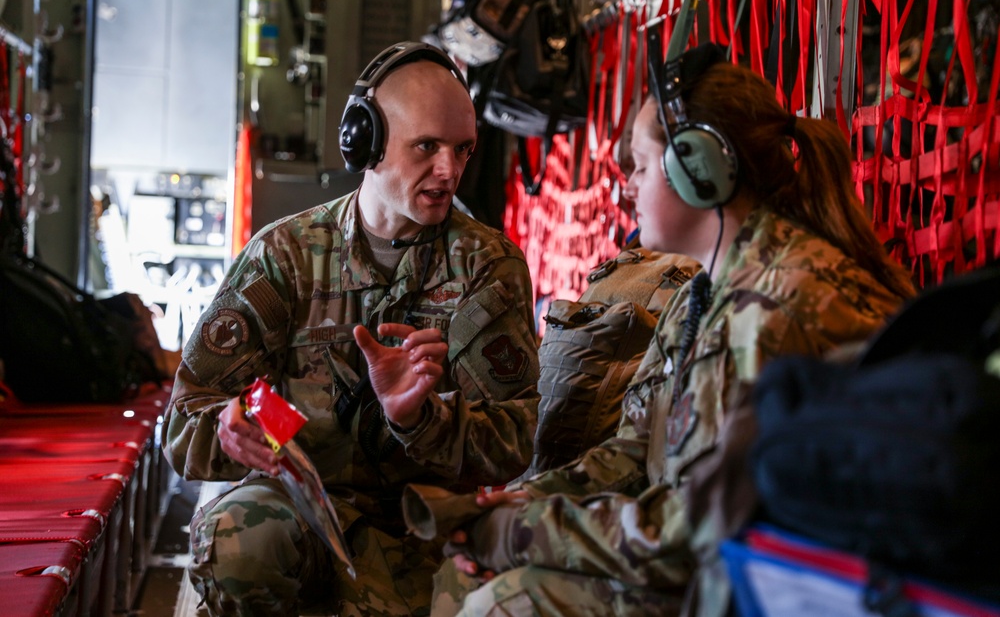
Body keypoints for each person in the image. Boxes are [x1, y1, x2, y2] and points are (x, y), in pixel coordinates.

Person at [428, 43, 916, 615]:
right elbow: (636, 450)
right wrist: (515, 503)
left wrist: (518, 533)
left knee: (506, 603)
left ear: (700, 170)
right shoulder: (705, 292)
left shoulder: (780, 310)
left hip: (751, 586)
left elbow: (694, 536)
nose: (626, 186)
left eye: (639, 164)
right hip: (702, 564)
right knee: (465, 580)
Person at [161, 41, 540, 617]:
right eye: (427, 147)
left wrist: (419, 417)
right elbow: (186, 416)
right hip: (298, 514)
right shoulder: (284, 257)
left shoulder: (487, 268)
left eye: (463, 150)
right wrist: (231, 429)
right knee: (241, 537)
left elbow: (518, 440)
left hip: (420, 526)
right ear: (365, 143)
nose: (450, 170)